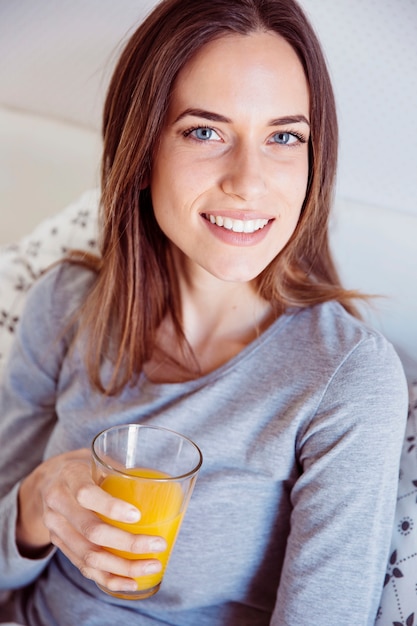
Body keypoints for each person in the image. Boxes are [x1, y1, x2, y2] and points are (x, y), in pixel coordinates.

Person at [0, 0, 409, 624]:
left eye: (283, 136)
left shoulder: (347, 378)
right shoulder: (66, 304)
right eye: (204, 131)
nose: (248, 181)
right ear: (142, 155)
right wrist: (36, 502)